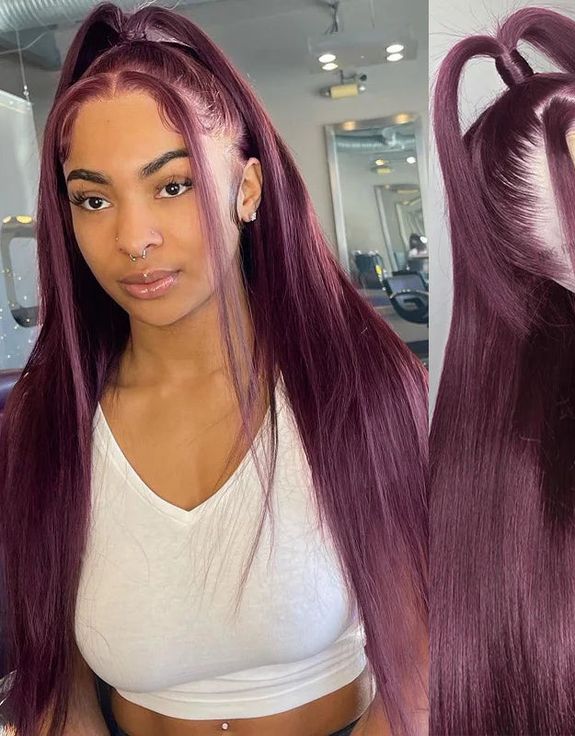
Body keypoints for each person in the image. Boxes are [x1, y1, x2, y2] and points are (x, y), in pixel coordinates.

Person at [0, 4, 427, 736]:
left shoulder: (357, 387)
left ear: (248, 189)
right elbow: (55, 688)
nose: (133, 238)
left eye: (173, 185)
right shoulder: (49, 418)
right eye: (93, 198)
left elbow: (420, 659)